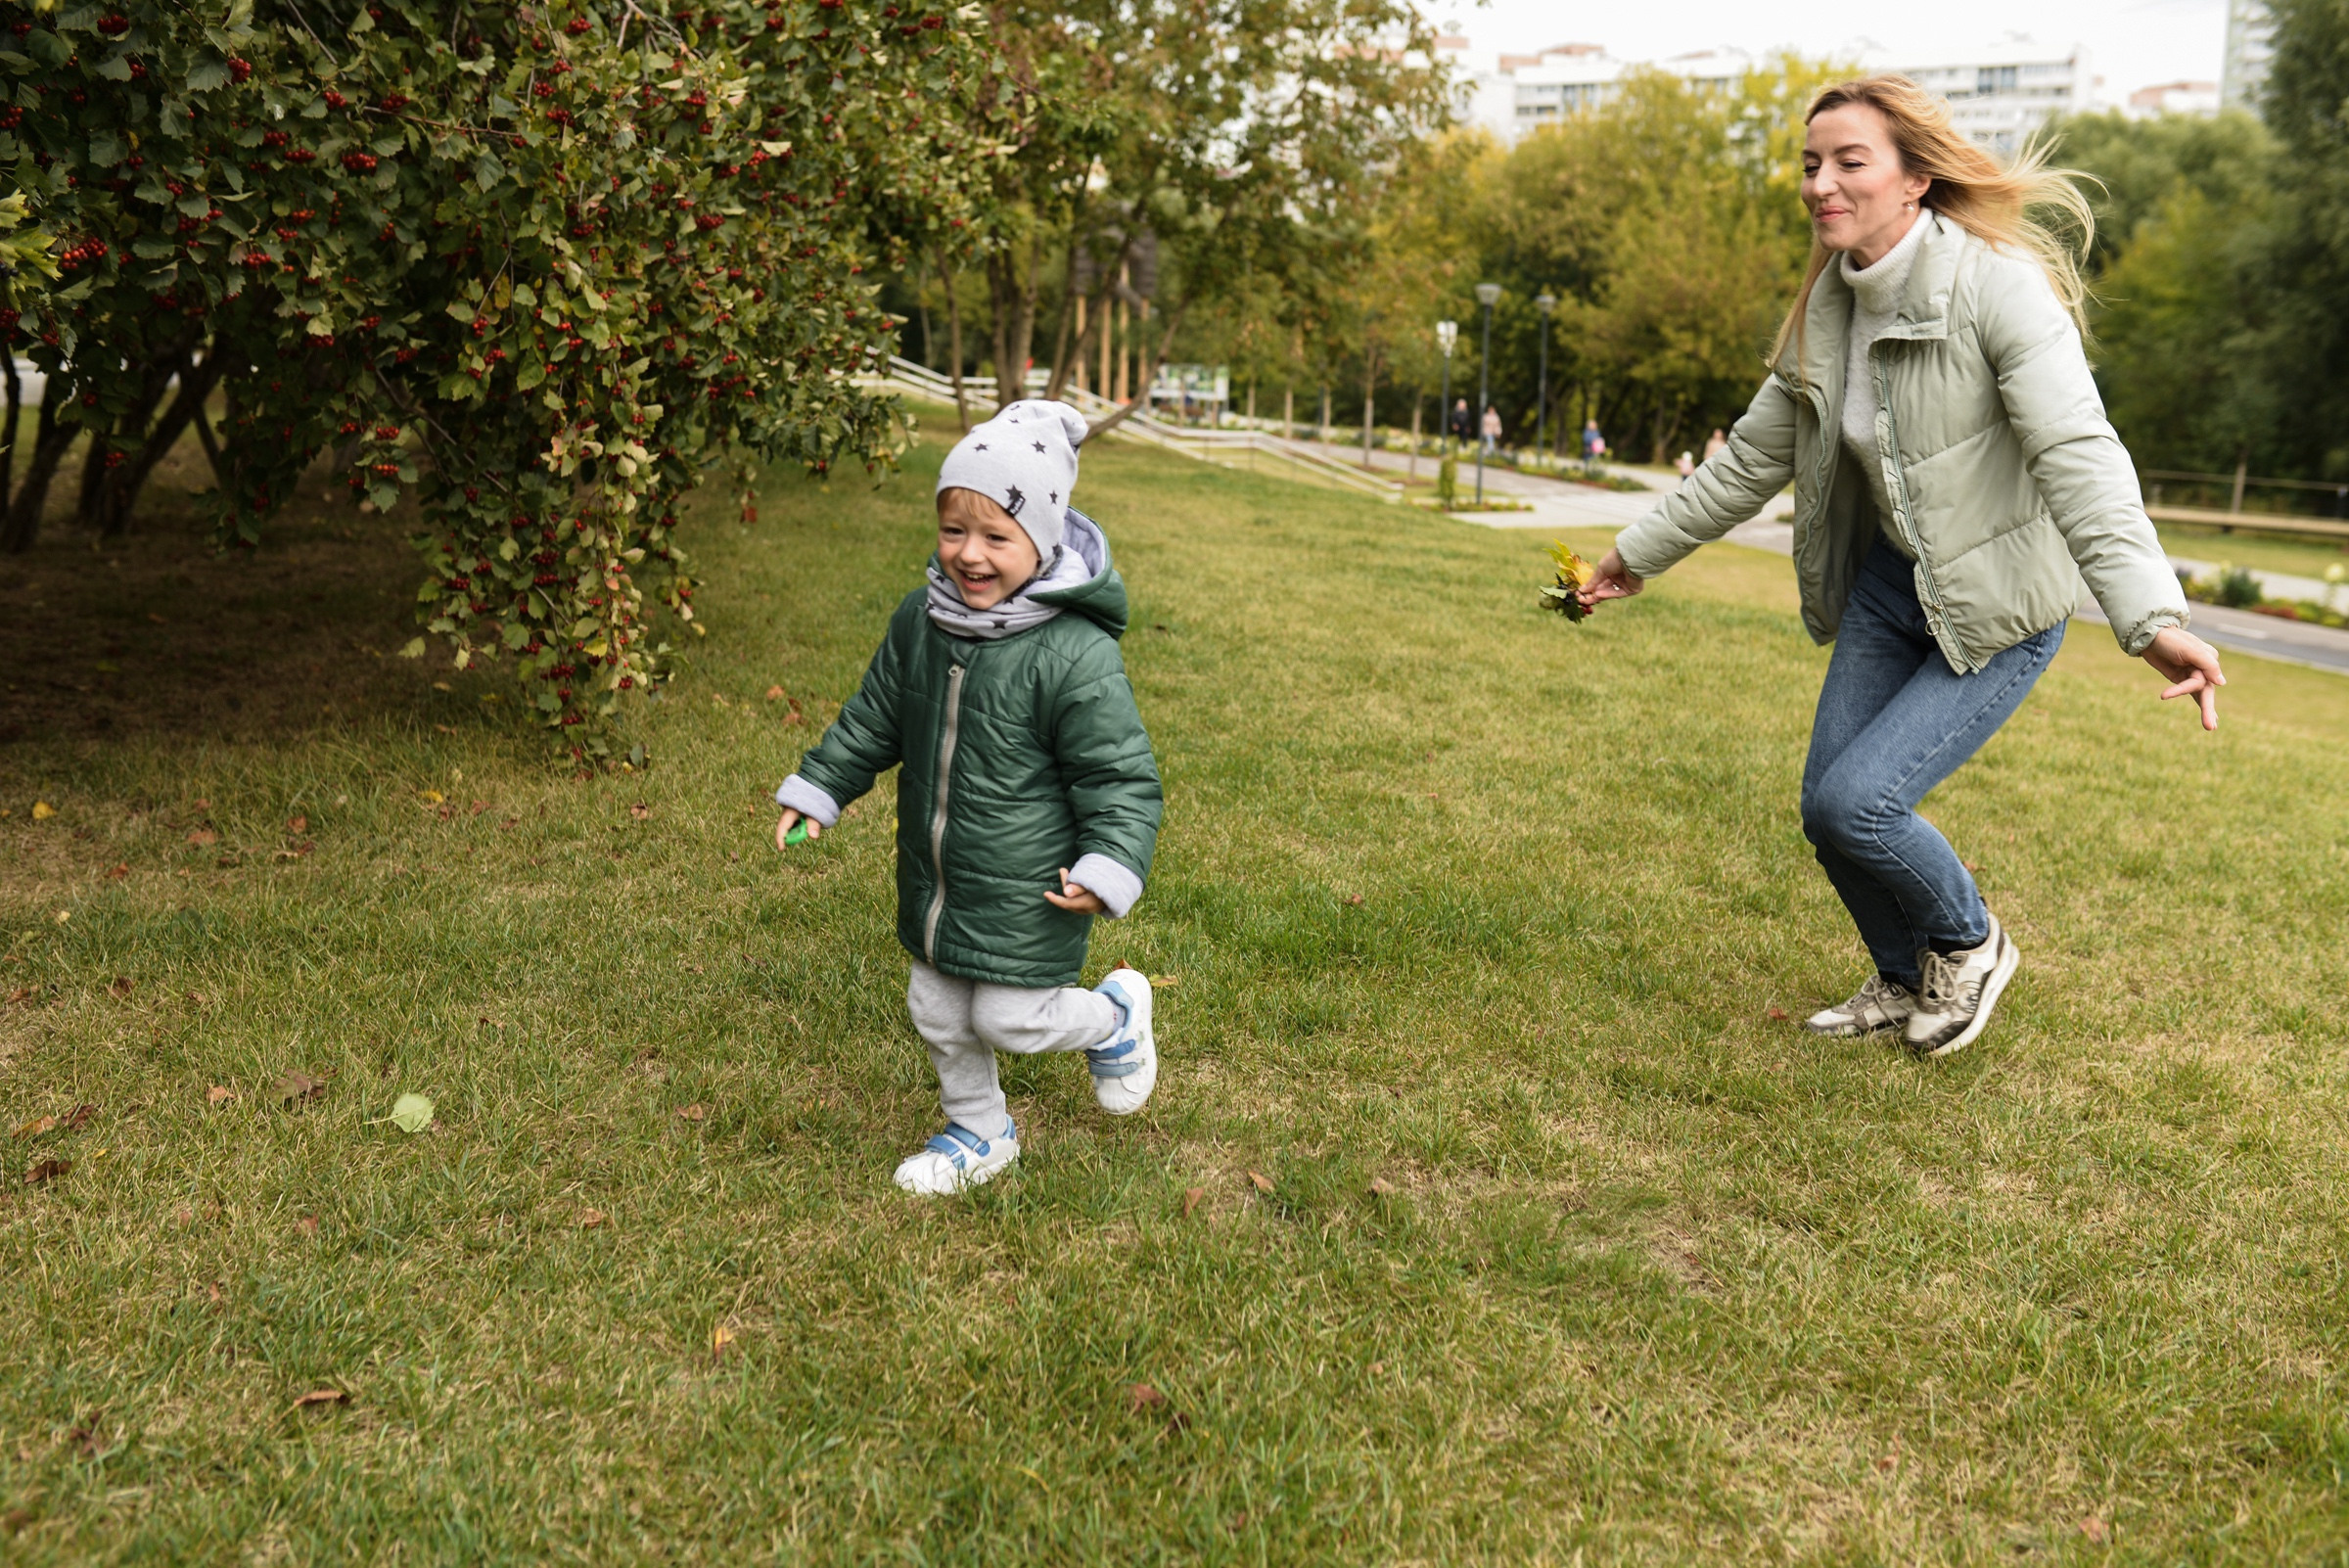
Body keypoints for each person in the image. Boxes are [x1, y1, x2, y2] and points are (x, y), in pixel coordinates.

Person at [1575, 75, 2224, 1059]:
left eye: (1850, 161)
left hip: (2000, 604)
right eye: (1810, 164)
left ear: (1915, 178)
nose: (1820, 184)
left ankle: (1970, 943)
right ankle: (1899, 973)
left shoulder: (1997, 286)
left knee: (1860, 804)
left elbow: (2077, 453)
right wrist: (1635, 556)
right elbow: (1750, 462)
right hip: (1892, 588)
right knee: (1825, 809)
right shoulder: (1827, 310)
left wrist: (2151, 620)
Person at [773, 399, 1165, 1192]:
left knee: (1010, 1017)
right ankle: (980, 1132)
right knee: (937, 1008)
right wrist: (821, 786)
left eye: (996, 537)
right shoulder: (922, 620)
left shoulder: (1073, 653)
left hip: (1032, 884)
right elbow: (876, 715)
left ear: (1042, 542)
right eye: (954, 530)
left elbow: (1119, 777)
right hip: (938, 875)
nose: (969, 554)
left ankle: (1114, 1019)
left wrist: (1110, 865)